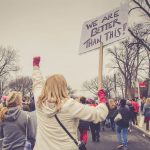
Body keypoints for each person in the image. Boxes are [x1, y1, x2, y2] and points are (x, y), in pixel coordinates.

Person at [32, 56, 108, 150]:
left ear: (46, 86)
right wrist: (102, 98)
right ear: (64, 87)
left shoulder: (39, 102)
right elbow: (99, 114)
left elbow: (37, 83)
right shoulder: (69, 105)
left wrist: (35, 66)